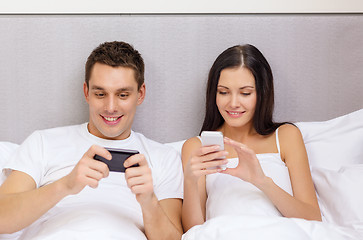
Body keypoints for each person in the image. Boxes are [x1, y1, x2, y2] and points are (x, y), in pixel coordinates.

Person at [0, 41, 183, 239]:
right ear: (87, 93)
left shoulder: (164, 157)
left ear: (140, 94)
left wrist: (149, 201)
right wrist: (66, 185)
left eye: (122, 95)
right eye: (100, 94)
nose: (110, 107)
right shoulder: (44, 142)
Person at [181, 44, 321, 232]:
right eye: (223, 92)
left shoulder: (286, 136)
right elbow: (193, 230)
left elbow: (313, 219)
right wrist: (190, 181)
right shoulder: (195, 147)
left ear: (262, 93)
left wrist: (261, 181)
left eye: (245, 93)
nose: (233, 103)